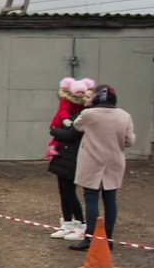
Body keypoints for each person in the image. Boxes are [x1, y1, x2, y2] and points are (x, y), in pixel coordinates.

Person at [67, 85, 136, 252]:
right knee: (110, 198)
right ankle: (108, 238)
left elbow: (76, 126)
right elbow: (130, 141)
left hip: (92, 160)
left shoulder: (89, 114)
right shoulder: (124, 116)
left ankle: (90, 238)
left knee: (91, 198)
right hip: (114, 161)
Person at [46, 77, 95, 239]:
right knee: (63, 191)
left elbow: (71, 133)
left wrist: (54, 131)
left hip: (73, 156)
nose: (83, 97)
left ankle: (80, 224)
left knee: (70, 192)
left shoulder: (84, 114)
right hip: (63, 155)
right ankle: (67, 222)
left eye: (86, 95)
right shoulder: (70, 110)